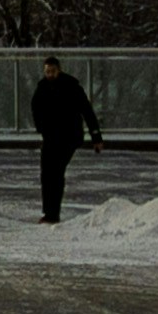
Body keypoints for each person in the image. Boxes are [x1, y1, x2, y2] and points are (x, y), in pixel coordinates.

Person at [31, 55, 103, 223]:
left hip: (69, 137)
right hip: (51, 137)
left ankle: (53, 214)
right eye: (47, 72)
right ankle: (49, 212)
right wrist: (41, 128)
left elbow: (87, 111)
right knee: (46, 173)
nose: (50, 74)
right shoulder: (42, 88)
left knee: (56, 172)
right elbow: (36, 109)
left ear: (59, 70)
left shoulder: (71, 86)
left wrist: (96, 136)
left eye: (53, 71)